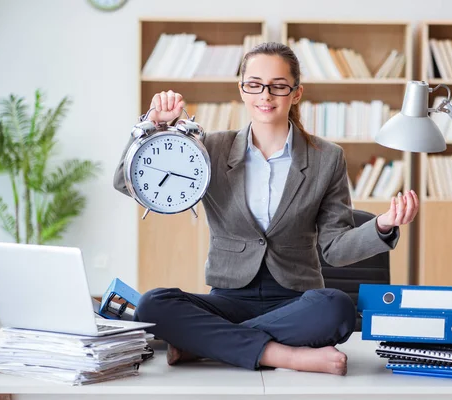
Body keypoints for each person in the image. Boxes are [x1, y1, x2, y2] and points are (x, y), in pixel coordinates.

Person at [113, 42, 419, 376]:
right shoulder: (209, 149)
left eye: (278, 86)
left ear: (296, 93)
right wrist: (154, 126)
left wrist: (383, 225)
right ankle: (284, 355)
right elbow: (124, 181)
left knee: (337, 308)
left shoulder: (326, 158)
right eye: (254, 84)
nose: (265, 95)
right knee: (153, 304)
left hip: (296, 301)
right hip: (227, 300)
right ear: (242, 89)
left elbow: (334, 248)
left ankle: (206, 344)